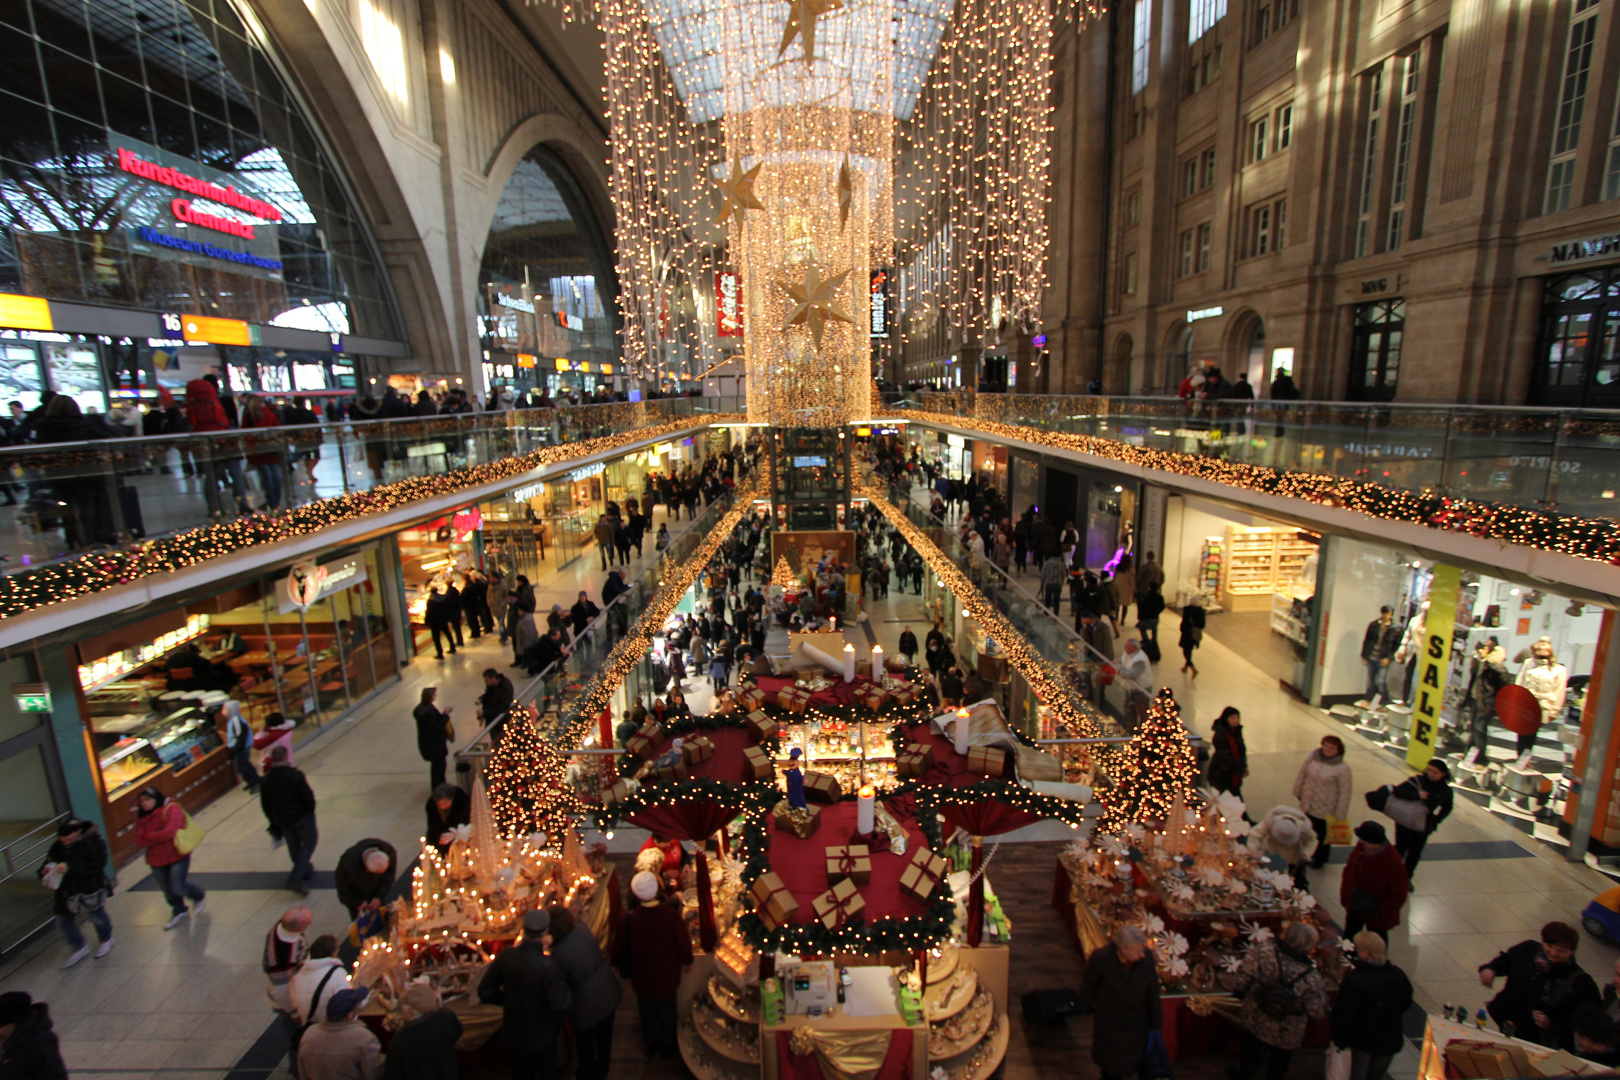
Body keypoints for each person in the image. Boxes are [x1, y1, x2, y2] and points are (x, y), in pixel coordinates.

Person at [1228, 922, 1331, 1080]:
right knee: (1280, 1059)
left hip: (1258, 1012)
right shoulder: (1311, 976)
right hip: (1288, 1026)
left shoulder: (1264, 951)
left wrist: (1240, 992)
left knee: (1250, 1049)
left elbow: (1243, 978)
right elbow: (1316, 1011)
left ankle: (1244, 1075)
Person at [479, 908, 572, 1080]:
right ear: (545, 932)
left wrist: (506, 1000)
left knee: (521, 1070)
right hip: (542, 1033)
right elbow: (561, 1004)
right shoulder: (548, 965)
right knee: (547, 1071)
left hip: (515, 1030)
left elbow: (485, 991)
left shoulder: (506, 956)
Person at [1480, 921, 1600, 1048]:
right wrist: (1491, 969)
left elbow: (1588, 1019)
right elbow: (1506, 960)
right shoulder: (1527, 949)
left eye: (1562, 951)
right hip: (1507, 1019)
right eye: (1549, 946)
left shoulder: (1581, 981)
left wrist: (1552, 1022)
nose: (1553, 953)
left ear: (1572, 952)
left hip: (1537, 1037)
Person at [615, 870, 692, 1060]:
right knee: (668, 1011)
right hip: (668, 975)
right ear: (657, 890)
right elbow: (683, 944)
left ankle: (649, 1044)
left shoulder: (629, 920)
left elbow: (617, 949)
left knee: (646, 1011)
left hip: (642, 977)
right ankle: (668, 1046)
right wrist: (687, 961)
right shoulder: (672, 917)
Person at [1075, 926, 1162, 1080]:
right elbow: (1089, 986)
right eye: (1137, 952)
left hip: (1136, 1023)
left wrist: (1156, 1021)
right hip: (1110, 1023)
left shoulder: (1146, 958)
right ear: (1123, 949)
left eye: (1142, 950)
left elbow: (1153, 991)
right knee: (1111, 1068)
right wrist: (1084, 1006)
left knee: (1133, 1062)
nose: (1142, 955)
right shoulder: (1102, 958)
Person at [547, 904, 622, 1080]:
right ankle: (602, 1071)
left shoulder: (559, 954)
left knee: (586, 1048)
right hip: (607, 991)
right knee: (605, 1042)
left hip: (587, 1007)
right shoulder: (580, 928)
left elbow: (562, 984)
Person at [1330, 931, 1413, 1080]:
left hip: (1362, 1039)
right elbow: (1406, 1003)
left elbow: (1346, 1013)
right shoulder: (1398, 975)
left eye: (1358, 949)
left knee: (1357, 1074)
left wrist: (1339, 1039)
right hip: (1389, 1038)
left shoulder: (1355, 979)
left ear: (1366, 953)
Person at [38, 817, 113, 967]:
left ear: (78, 831)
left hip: (89, 887)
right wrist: (44, 872)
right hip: (66, 892)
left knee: (96, 916)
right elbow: (46, 864)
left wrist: (69, 869)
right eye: (61, 837)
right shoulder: (57, 847)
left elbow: (98, 864)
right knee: (63, 922)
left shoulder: (93, 842)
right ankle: (79, 946)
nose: (64, 840)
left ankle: (106, 939)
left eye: (68, 836)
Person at [131, 787, 206, 929]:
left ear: (156, 798)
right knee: (167, 890)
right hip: (156, 859)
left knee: (178, 887)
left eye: (148, 800)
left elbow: (169, 833)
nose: (145, 804)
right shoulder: (142, 817)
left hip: (177, 855)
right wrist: (156, 835)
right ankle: (179, 910)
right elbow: (138, 840)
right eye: (142, 801)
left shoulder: (172, 809)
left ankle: (198, 895)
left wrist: (150, 836)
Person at [260, 745, 318, 896]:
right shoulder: (295, 775)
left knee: (294, 846)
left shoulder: (266, 780)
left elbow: (265, 804)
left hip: (282, 819)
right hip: (301, 816)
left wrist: (272, 820)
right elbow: (307, 796)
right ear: (286, 757)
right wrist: (310, 809)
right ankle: (295, 877)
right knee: (310, 842)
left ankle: (304, 870)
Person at [1339, 822, 1409, 944]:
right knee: (1350, 935)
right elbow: (1350, 866)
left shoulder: (1393, 863)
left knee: (1377, 939)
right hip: (1355, 903)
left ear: (1371, 842)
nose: (1359, 840)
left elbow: (1399, 894)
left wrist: (1379, 908)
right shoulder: (1361, 847)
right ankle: (1347, 957)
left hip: (1376, 911)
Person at [264, 906, 314, 1075]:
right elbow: (282, 991)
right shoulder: (280, 957)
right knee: (296, 1036)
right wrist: (294, 1012)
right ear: (295, 927)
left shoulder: (284, 926)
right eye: (307, 922)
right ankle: (297, 1071)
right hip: (288, 1001)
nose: (311, 923)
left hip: (294, 987)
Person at [1293, 735, 1352, 870]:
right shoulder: (1313, 757)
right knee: (1308, 829)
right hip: (1309, 801)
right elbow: (1302, 773)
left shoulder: (1342, 769)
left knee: (1322, 834)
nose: (1328, 749)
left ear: (1339, 750)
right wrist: (1298, 791)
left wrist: (1340, 813)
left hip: (1326, 807)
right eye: (1326, 745)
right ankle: (1305, 853)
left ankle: (1319, 858)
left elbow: (1345, 793)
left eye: (1332, 748)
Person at [299, 988, 384, 1080]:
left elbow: (303, 1071)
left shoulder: (309, 1034)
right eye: (357, 1006)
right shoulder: (364, 1038)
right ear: (350, 1015)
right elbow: (374, 1074)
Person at [385, 983, 462, 1080]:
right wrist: (440, 1007)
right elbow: (457, 1032)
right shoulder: (446, 1019)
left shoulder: (398, 1043)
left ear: (410, 1011)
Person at [0, 991, 68, 1080]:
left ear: (13, 1023)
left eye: (1, 1026)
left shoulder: (39, 1041)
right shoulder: (10, 1039)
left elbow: (55, 1075)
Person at [292, 934, 352, 1031]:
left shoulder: (299, 974)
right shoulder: (337, 973)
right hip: (332, 1026)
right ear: (332, 953)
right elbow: (346, 1001)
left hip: (310, 1026)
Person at [1250, 805, 1318, 890]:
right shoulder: (1271, 821)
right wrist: (1254, 851)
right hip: (1274, 854)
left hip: (1294, 858)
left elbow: (1312, 841)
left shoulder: (1304, 827)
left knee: (1296, 881)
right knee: (1272, 878)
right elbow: (1255, 834)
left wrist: (1306, 854)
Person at [335, 840, 397, 919]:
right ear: (366, 869)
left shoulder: (388, 851)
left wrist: (379, 897)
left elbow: (388, 878)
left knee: (380, 920)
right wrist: (357, 903)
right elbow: (343, 891)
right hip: (358, 899)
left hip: (376, 893)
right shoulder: (347, 865)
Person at [413, 687, 454, 790]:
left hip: (428, 744)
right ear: (431, 697)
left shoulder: (420, 709)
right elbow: (437, 727)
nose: (435, 697)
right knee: (439, 768)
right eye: (434, 695)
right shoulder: (428, 712)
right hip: (435, 745)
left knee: (437, 767)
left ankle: (439, 787)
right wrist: (445, 714)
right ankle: (440, 788)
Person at [1205, 707, 1247, 800]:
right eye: (1233, 718)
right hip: (1222, 775)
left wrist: (1243, 766)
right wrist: (1239, 769)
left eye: (1237, 718)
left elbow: (1242, 750)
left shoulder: (1236, 732)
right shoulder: (1221, 736)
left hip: (1232, 775)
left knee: (1233, 802)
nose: (1236, 720)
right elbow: (1224, 757)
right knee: (1231, 802)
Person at [1360, 606, 1400, 704]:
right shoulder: (1374, 625)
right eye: (1385, 613)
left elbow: (1396, 645)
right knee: (1371, 681)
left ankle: (1385, 700)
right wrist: (1364, 656)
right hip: (1372, 656)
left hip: (1383, 657)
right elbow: (1367, 641)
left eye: (1389, 614)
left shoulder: (1396, 628)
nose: (1386, 616)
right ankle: (1368, 699)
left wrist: (1389, 658)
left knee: (1380, 681)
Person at [222, 701, 260, 795]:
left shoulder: (236, 720)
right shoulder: (232, 720)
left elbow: (241, 736)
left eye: (225, 709)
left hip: (241, 748)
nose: (223, 712)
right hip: (239, 747)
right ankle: (250, 781)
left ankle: (256, 782)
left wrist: (236, 749)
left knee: (243, 766)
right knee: (240, 767)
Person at [426, 784, 471, 856]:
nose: (441, 806)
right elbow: (433, 828)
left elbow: (465, 824)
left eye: (444, 803)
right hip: (440, 842)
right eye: (439, 804)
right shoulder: (432, 809)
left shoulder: (462, 805)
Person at [1116, 637, 1152, 717]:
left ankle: (1142, 729)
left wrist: (1120, 671)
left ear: (1134, 648)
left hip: (1140, 690)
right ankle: (1131, 729)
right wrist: (1123, 671)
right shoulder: (1126, 653)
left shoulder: (1140, 660)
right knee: (1129, 711)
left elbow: (1132, 675)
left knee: (1142, 713)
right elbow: (1119, 662)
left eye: (1126, 646)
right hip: (1130, 689)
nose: (1124, 647)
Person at [1178, 593, 1206, 677]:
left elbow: (1184, 623)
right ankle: (1185, 667)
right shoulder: (1201, 612)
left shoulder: (1187, 611)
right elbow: (1203, 625)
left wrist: (1182, 629)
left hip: (1187, 633)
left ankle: (1193, 668)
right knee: (1189, 650)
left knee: (1186, 651)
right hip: (1195, 634)